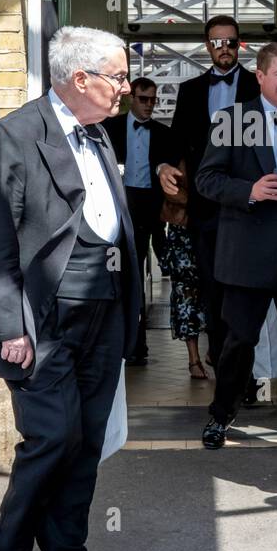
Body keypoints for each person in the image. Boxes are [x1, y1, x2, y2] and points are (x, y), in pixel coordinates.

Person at [0, 26, 140, 551]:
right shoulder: (17, 135)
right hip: (42, 322)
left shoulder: (97, 135)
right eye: (117, 76)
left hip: (104, 315)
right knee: (52, 439)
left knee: (86, 445)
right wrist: (10, 325)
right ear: (81, 79)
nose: (126, 87)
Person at [196, 41, 277, 461]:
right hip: (249, 247)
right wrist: (249, 191)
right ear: (260, 76)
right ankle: (221, 414)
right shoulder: (233, 120)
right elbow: (206, 179)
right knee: (240, 341)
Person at [157, 15, 259, 368]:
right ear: (207, 46)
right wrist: (163, 166)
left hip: (250, 202)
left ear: (239, 44)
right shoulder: (190, 90)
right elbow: (173, 144)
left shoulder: (257, 86)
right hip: (204, 205)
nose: (224, 49)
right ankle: (219, 356)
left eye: (231, 42)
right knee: (211, 287)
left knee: (244, 287)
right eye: (217, 42)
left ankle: (244, 362)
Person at [103, 76, 171, 365]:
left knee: (136, 277)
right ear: (132, 99)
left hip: (148, 211)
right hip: (118, 207)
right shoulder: (111, 127)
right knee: (116, 274)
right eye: (144, 99)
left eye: (153, 100)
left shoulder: (163, 133)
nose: (149, 105)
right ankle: (119, 341)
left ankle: (137, 344)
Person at [157, 163, 209, 378]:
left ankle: (214, 350)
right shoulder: (175, 143)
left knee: (215, 290)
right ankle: (193, 359)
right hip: (183, 227)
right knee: (185, 293)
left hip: (212, 225)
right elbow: (169, 189)